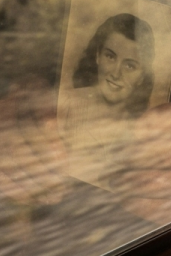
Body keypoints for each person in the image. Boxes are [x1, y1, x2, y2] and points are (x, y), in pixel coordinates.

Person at [59, 13, 156, 188]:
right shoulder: (65, 105)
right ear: (98, 56)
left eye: (130, 66)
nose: (116, 73)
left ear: (142, 76)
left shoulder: (142, 132)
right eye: (110, 57)